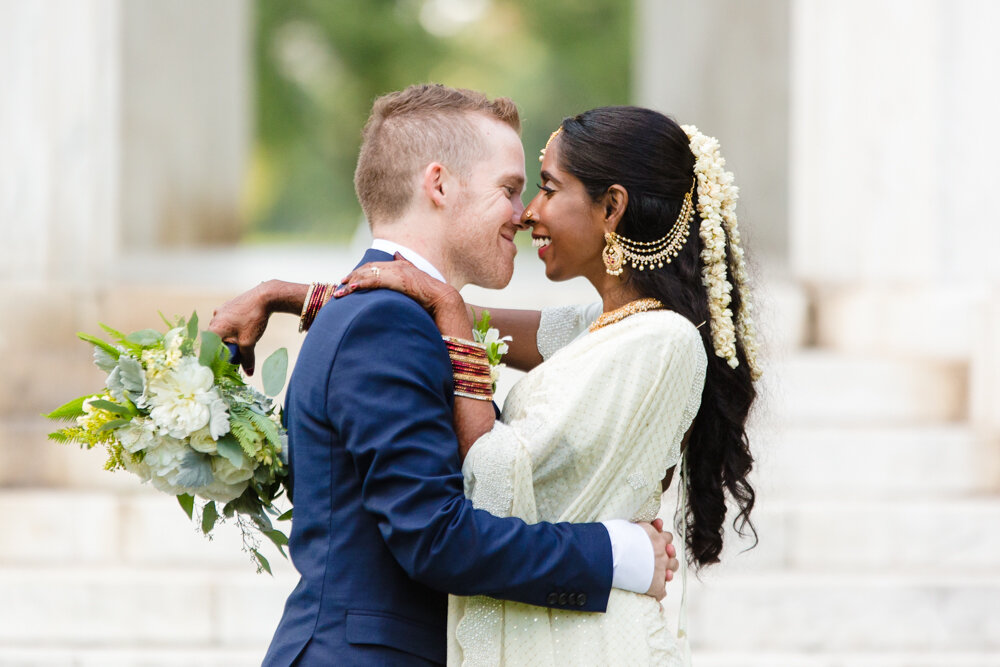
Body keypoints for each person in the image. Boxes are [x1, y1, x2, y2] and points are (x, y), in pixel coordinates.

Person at [214, 103, 760, 665]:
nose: (526, 214)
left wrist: (438, 305)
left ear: (612, 207)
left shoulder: (653, 339)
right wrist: (617, 553)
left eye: (545, 189)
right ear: (440, 185)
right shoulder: (584, 327)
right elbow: (442, 533)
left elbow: (458, 340)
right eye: (516, 188)